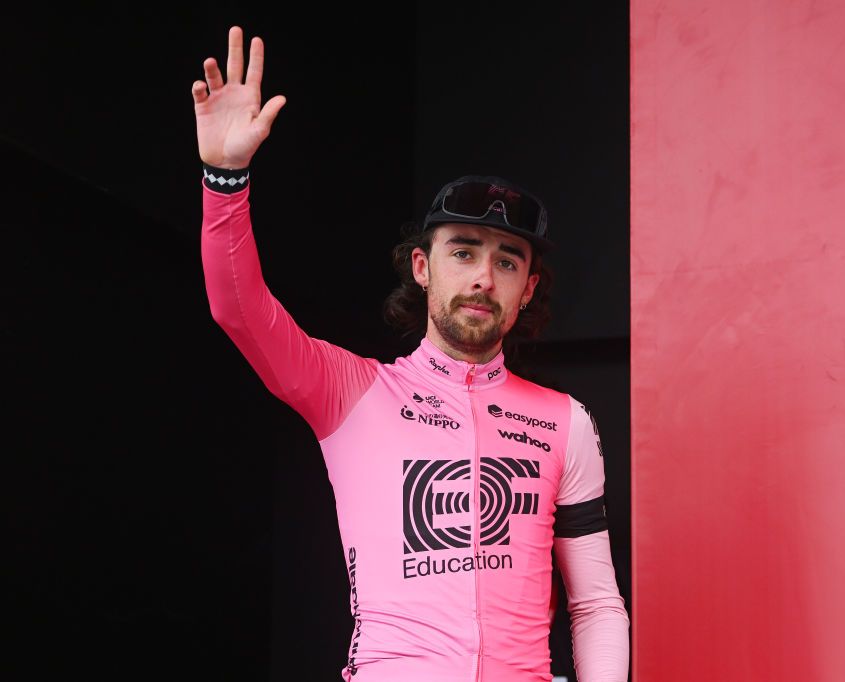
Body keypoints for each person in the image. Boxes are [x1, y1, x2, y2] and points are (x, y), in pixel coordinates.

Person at [192, 25, 629, 681]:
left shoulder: (567, 422)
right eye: (463, 252)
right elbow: (239, 309)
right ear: (422, 266)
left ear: (527, 287)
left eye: (507, 261)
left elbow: (596, 605)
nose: (484, 276)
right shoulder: (350, 390)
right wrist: (225, 179)